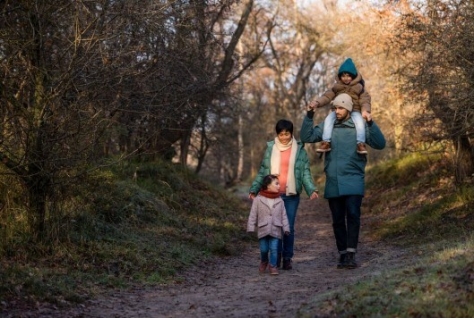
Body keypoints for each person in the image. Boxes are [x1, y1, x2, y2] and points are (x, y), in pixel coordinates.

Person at [300, 93, 386, 269]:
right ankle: (342, 254)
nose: (337, 111)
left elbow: (380, 143)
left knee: (353, 216)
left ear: (347, 108)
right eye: (334, 108)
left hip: (354, 178)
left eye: (340, 108)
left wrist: (370, 122)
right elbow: (306, 136)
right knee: (338, 220)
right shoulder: (328, 127)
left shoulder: (358, 126)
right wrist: (309, 115)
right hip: (333, 180)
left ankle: (351, 254)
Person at [249, 119, 319, 271]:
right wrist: (254, 189)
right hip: (272, 195)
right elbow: (263, 171)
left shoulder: (299, 149)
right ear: (277, 134)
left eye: (287, 134)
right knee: (274, 226)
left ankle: (287, 258)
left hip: (291, 195)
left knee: (288, 228)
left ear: (291, 133)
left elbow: (305, 171)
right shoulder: (270, 148)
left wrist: (311, 189)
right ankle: (276, 257)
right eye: (281, 134)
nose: (284, 137)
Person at [308, 58, 371, 155]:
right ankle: (326, 142)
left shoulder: (359, 87)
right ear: (340, 76)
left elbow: (365, 100)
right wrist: (317, 102)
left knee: (359, 122)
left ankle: (360, 143)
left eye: (348, 76)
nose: (346, 78)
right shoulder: (336, 87)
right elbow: (326, 96)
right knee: (329, 119)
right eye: (343, 76)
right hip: (338, 109)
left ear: (353, 76)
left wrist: (365, 111)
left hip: (354, 110)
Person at [247, 174, 290, 275]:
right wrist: (251, 227)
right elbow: (253, 214)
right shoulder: (258, 199)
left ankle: (273, 266)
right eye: (276, 184)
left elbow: (284, 216)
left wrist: (286, 228)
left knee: (274, 249)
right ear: (268, 185)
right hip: (263, 228)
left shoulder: (280, 200)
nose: (279, 186)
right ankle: (264, 261)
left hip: (276, 228)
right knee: (264, 249)